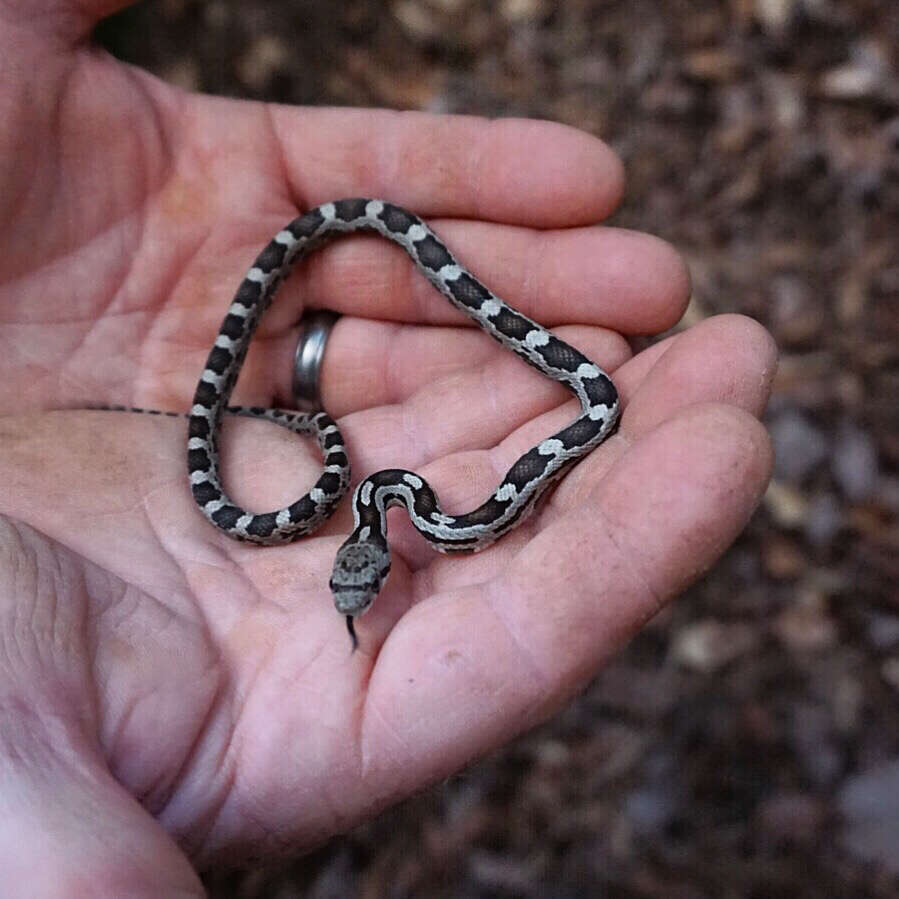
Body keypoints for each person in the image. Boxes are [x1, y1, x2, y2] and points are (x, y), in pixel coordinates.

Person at [0, 1, 775, 894]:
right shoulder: (373, 501)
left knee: (598, 393)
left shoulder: (396, 500)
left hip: (490, 392)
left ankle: (369, 253)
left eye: (352, 581)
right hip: (318, 412)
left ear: (370, 536)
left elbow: (559, 436)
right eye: (355, 584)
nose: (353, 592)